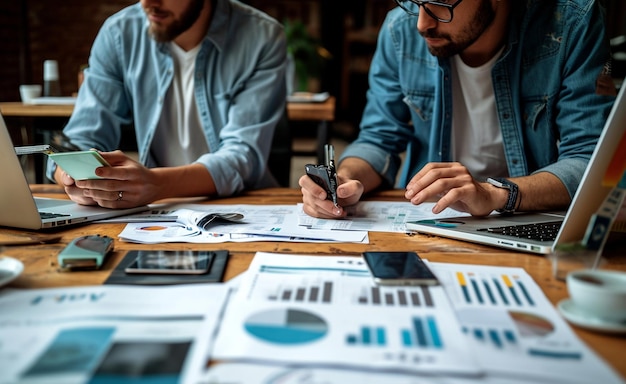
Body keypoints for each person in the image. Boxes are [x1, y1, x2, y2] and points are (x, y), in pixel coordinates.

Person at [300, 0, 617, 219]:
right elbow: (378, 138)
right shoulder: (400, 29)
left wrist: (495, 194)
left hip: (527, 217)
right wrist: (344, 180)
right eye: (417, 1)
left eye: (443, 3)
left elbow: (590, 160)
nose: (423, 23)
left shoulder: (572, 22)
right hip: (428, 221)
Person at [48, 0, 287, 208]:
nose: (148, 3)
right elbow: (80, 139)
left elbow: (243, 157)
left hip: (241, 206)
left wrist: (156, 183)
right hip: (153, 210)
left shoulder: (261, 36)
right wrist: (72, 176)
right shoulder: (118, 33)